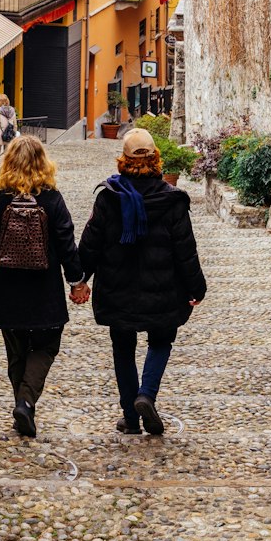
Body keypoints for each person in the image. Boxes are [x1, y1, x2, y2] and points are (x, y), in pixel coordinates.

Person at [77, 127, 206, 436]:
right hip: (163, 291)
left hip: (117, 289)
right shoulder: (172, 201)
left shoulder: (109, 198)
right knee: (161, 341)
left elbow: (90, 245)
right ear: (155, 159)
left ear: (123, 160)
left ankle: (131, 419)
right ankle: (146, 395)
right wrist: (196, 288)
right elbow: (185, 249)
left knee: (123, 348)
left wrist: (79, 279)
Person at [0, 135, 88, 438]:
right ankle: (25, 402)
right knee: (47, 346)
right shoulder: (51, 197)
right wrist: (76, 282)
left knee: (16, 351)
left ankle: (23, 406)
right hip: (44, 286)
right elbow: (66, 242)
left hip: (7, 287)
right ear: (42, 162)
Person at [0, 93, 18, 174]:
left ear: (0, 101)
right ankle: (6, 170)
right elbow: (15, 124)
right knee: (7, 153)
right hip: (9, 134)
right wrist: (14, 134)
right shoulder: (12, 111)